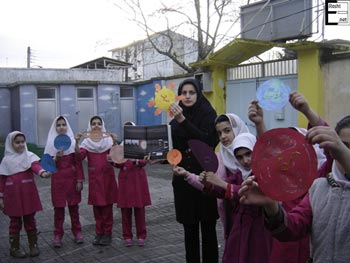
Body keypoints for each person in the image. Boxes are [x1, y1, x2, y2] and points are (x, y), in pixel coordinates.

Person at [239, 123, 350, 263]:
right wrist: (271, 205)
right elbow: (293, 227)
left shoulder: (316, 175)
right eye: (344, 146)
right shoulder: (319, 187)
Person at [248, 91, 332, 263]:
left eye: (296, 152)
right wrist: (259, 124)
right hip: (280, 252)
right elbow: (267, 154)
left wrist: (308, 112)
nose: (288, 158)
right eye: (284, 151)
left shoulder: (318, 182)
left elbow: (333, 151)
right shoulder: (278, 183)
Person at [174, 132, 272, 263]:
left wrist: (219, 182)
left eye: (248, 154)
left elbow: (244, 192)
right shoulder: (238, 173)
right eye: (240, 157)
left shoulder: (265, 173)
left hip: (259, 229)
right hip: (239, 228)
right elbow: (222, 191)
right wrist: (207, 183)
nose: (245, 160)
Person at [169, 78, 219, 263]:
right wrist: (158, 157)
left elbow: (207, 142)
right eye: (184, 93)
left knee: (208, 229)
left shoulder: (208, 115)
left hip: (206, 179)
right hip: (183, 183)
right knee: (189, 231)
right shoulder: (174, 122)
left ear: (198, 94)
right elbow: (174, 152)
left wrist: (183, 120)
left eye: (192, 92)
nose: (188, 96)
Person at [0, 131, 51, 258]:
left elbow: (35, 167)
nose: (21, 144)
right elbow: (2, 180)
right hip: (12, 196)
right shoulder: (6, 161)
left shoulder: (29, 156)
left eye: (23, 142)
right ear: (11, 144)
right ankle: (14, 248)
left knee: (30, 220)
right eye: (17, 142)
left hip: (28, 194)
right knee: (15, 222)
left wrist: (43, 173)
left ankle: (33, 245)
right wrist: (1, 197)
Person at [75, 116, 118, 246]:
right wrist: (76, 143)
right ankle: (99, 233)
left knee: (107, 209)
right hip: (95, 181)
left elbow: (117, 158)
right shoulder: (87, 143)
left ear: (102, 126)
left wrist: (115, 142)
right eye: (93, 123)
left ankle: (107, 233)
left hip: (108, 180)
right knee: (97, 209)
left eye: (99, 123)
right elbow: (79, 157)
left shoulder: (109, 141)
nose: (96, 126)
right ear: (90, 126)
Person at [44, 116, 84, 248]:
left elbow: (78, 162)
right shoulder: (51, 143)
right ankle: (58, 234)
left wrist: (79, 180)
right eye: (58, 125)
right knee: (59, 209)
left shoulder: (72, 143)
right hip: (58, 181)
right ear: (55, 128)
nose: (61, 127)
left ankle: (77, 231)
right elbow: (47, 167)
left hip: (72, 180)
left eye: (63, 124)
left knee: (74, 208)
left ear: (67, 126)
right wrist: (56, 158)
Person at [112, 121, 152, 247]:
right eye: (126, 130)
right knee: (126, 211)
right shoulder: (120, 147)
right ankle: (127, 236)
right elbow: (117, 163)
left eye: (131, 129)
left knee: (140, 210)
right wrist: (113, 161)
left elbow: (144, 160)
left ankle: (141, 235)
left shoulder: (141, 144)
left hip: (138, 181)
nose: (129, 132)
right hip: (125, 181)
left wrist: (137, 161)